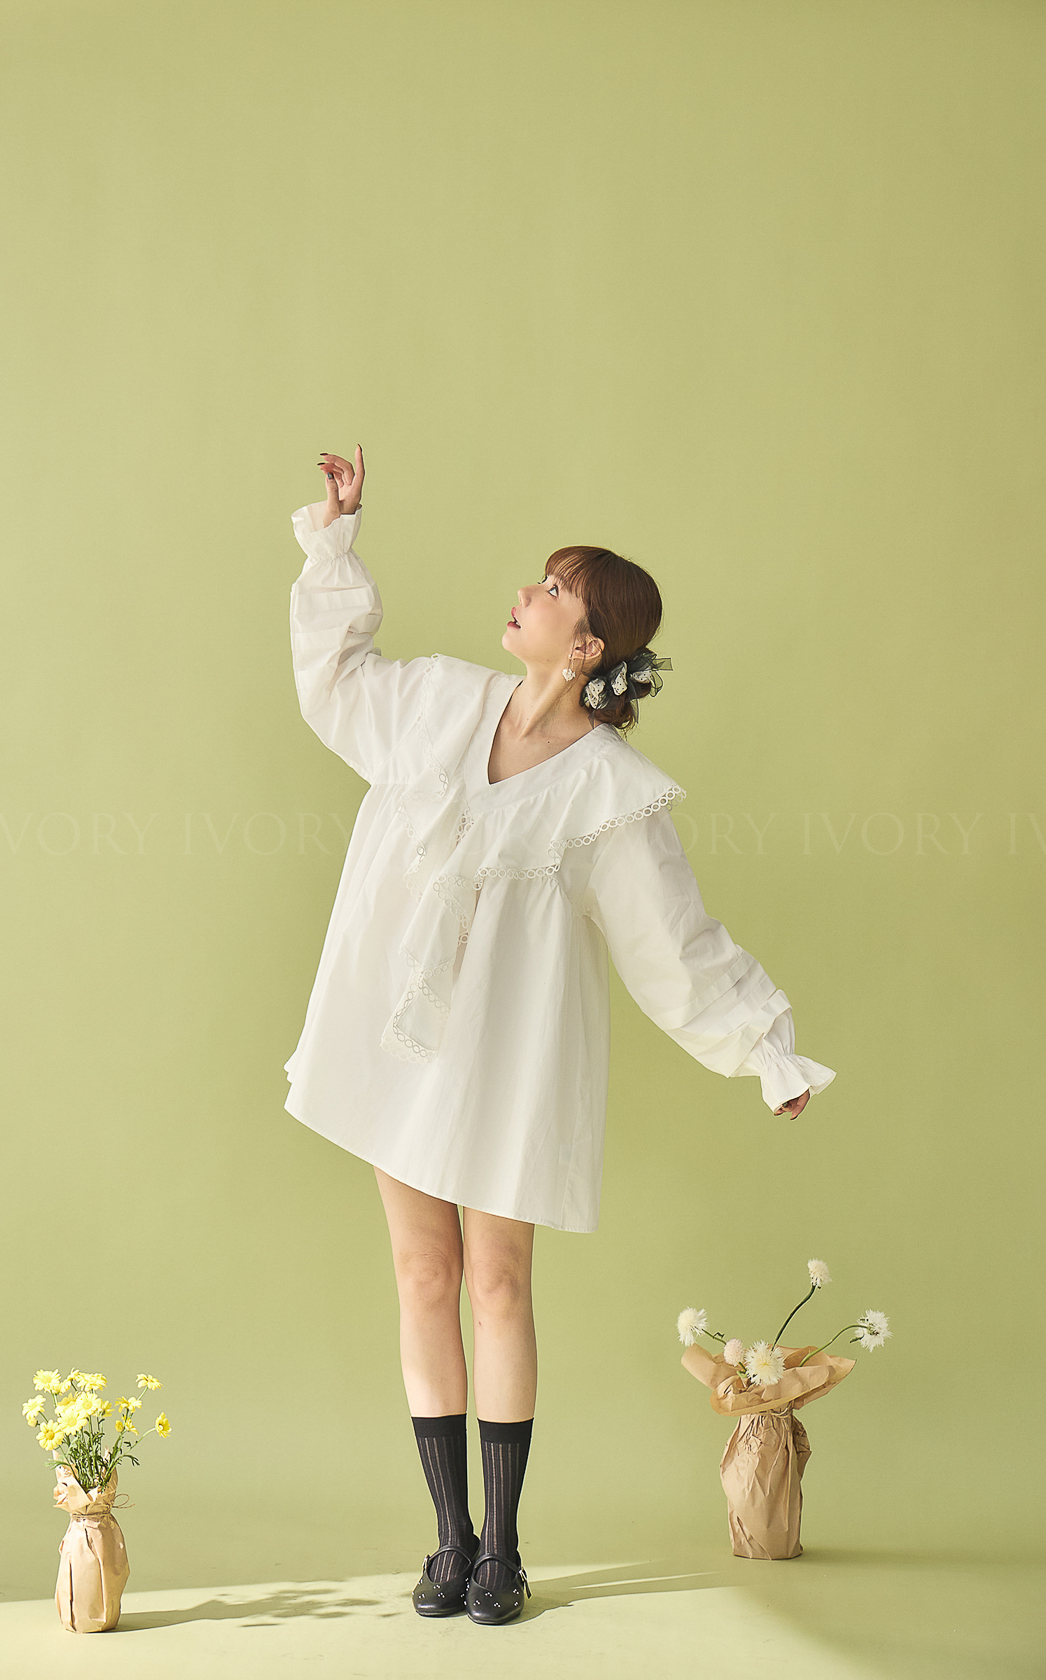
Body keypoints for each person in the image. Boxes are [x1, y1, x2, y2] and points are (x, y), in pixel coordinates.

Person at [283, 445, 836, 1625]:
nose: (525, 595)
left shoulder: (610, 793)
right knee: (422, 1274)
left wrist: (764, 1048)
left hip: (506, 1059)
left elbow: (673, 943)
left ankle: (504, 1549)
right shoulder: (438, 703)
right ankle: (448, 1540)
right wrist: (337, 539)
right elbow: (335, 683)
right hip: (399, 1040)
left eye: (551, 591)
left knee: (497, 1282)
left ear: (586, 648)